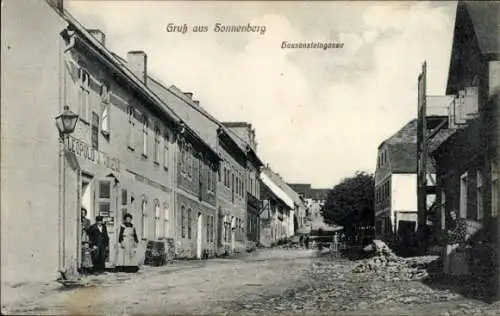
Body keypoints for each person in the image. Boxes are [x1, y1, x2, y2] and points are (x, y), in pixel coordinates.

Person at [80, 208, 93, 273]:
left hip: (85, 237)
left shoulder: (88, 221)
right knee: (81, 251)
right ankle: (81, 266)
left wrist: (84, 227)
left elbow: (89, 229)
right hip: (79, 236)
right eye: (81, 212)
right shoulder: (78, 220)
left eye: (84, 213)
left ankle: (87, 266)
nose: (83, 214)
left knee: (86, 251)